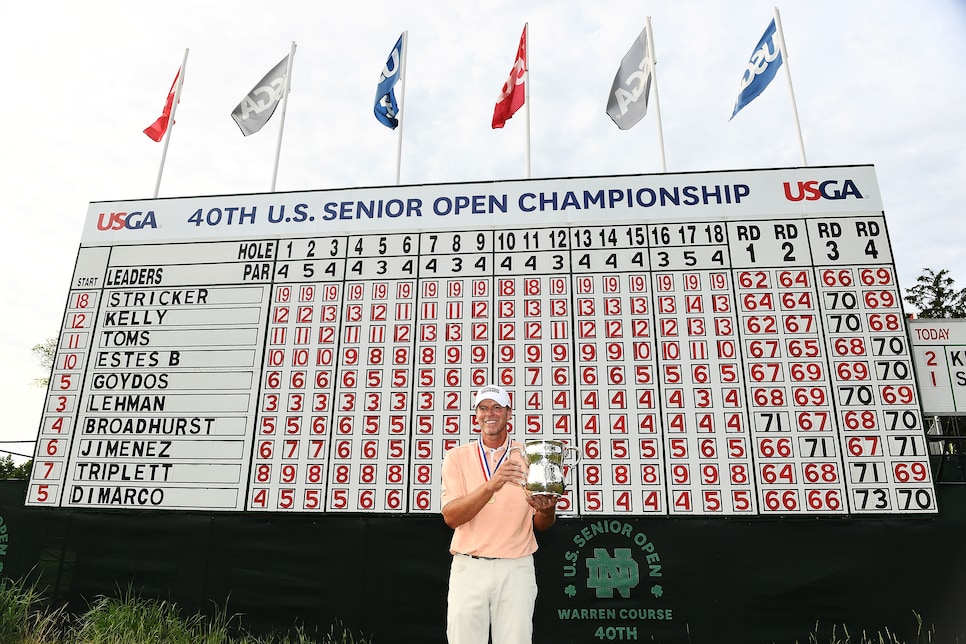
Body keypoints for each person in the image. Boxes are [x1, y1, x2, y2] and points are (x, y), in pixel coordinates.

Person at [441, 384, 559, 644]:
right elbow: (451, 517)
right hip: (468, 567)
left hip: (516, 567)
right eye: (483, 408)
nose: (489, 413)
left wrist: (548, 510)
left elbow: (542, 524)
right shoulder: (456, 457)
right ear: (476, 416)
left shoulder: (531, 457)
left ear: (508, 414)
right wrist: (492, 484)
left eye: (497, 407)